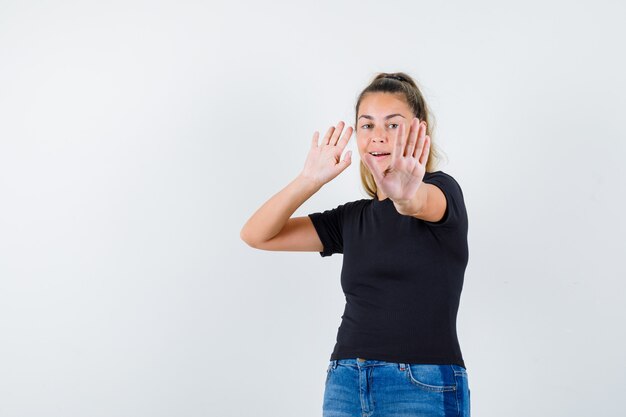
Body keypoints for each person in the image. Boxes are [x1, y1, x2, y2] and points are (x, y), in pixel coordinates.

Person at [240, 72, 471, 417]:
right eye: (367, 125)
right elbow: (257, 234)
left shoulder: (442, 191)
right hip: (346, 382)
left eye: (393, 125)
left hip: (419, 385)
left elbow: (417, 203)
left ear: (418, 130)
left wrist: (406, 195)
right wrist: (308, 180)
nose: (378, 136)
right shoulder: (352, 218)